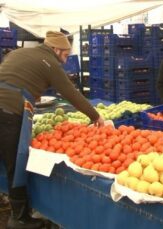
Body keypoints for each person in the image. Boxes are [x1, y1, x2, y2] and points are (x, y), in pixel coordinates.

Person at [0, 31, 104, 229]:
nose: (65, 61)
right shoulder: (49, 61)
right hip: (9, 112)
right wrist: (96, 116)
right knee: (15, 162)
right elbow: (71, 93)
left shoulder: (18, 53)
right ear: (56, 50)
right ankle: (19, 218)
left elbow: (14, 77)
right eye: (65, 55)